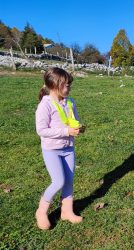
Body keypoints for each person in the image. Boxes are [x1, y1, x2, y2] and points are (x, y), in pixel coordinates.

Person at [35, 67, 84, 230]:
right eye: (66, 85)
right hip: (52, 150)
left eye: (70, 84)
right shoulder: (45, 105)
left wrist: (78, 127)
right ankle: (41, 212)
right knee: (58, 181)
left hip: (68, 148)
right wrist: (65, 131)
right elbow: (41, 130)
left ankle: (66, 211)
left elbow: (74, 119)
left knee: (69, 181)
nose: (69, 88)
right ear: (55, 85)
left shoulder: (70, 102)